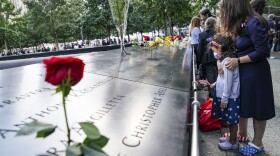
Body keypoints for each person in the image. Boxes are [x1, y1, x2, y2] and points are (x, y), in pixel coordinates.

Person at [219, 0, 275, 155]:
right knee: (245, 104)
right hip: (246, 71)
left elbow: (263, 51)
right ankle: (242, 134)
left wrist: (237, 60)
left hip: (256, 73)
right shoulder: (245, 22)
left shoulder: (254, 22)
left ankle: (258, 142)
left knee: (258, 108)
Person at [205, 34, 240, 150]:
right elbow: (223, 79)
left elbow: (228, 83)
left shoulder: (227, 62)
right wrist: (213, 84)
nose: (214, 54)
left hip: (229, 97)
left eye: (214, 51)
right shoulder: (224, 60)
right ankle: (231, 138)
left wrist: (224, 99)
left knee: (232, 121)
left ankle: (233, 142)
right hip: (226, 96)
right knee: (229, 120)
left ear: (220, 48)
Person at [197, 17, 217, 98]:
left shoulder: (202, 34)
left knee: (210, 79)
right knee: (218, 77)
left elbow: (200, 49)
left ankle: (212, 98)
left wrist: (198, 62)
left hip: (207, 60)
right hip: (218, 58)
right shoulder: (217, 33)